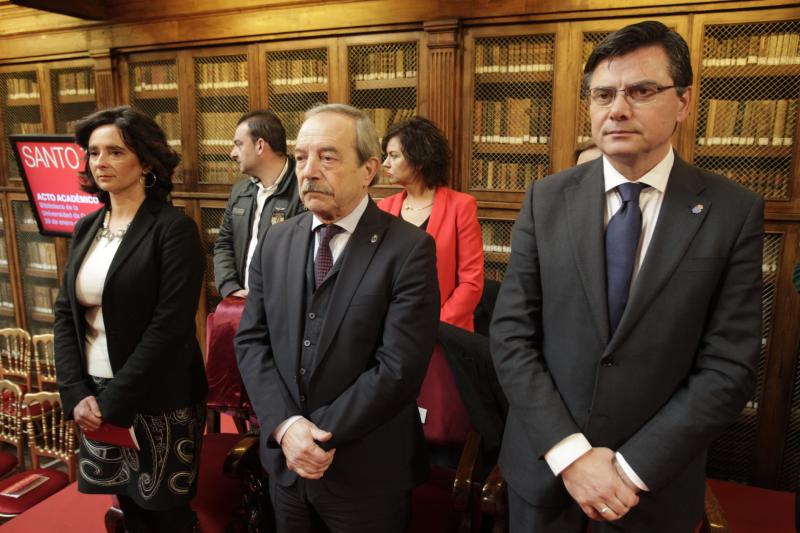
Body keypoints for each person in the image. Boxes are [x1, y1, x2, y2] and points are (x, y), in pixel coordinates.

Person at [491, 21, 763, 532]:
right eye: (603, 94)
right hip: (546, 477)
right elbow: (511, 337)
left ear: (683, 102)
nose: (617, 108)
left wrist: (629, 469)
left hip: (649, 490)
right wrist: (572, 454)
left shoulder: (732, 211)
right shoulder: (545, 199)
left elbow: (729, 366)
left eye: (641, 91)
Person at [235, 103, 440, 533]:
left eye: (327, 157)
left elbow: (398, 368)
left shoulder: (408, 249)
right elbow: (252, 342)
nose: (308, 171)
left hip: (366, 472)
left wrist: (315, 436)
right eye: (301, 157)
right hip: (288, 468)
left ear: (368, 170)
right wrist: (288, 429)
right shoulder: (276, 241)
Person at [54, 106, 207, 532]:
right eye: (93, 152)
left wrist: (112, 402)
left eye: (115, 152)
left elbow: (170, 327)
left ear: (146, 162)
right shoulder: (86, 227)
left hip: (158, 398)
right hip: (93, 394)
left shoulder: (173, 229)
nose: (100, 162)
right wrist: (75, 392)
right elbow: (65, 311)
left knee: (165, 513)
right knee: (129, 508)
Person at [378, 116, 484, 331]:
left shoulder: (461, 207)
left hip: (443, 331)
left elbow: (471, 282)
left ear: (419, 160)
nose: (385, 164)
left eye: (393, 156)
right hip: (391, 331)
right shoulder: (383, 208)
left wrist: (435, 327)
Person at [214, 109, 305, 299]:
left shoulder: (304, 192)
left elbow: (302, 259)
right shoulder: (239, 191)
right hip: (240, 303)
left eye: (238, 145)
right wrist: (231, 288)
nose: (232, 153)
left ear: (260, 146)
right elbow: (224, 244)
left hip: (282, 307)